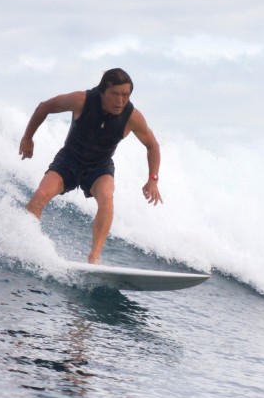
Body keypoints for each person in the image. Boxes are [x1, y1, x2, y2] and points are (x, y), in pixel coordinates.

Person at [19, 68, 162, 264]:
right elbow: (44, 107)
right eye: (115, 94)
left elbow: (152, 145)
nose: (120, 101)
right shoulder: (81, 100)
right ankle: (23, 241)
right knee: (41, 194)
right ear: (103, 91)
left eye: (125, 95)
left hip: (99, 166)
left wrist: (152, 179)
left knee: (107, 198)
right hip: (69, 160)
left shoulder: (132, 117)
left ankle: (94, 257)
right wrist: (27, 138)